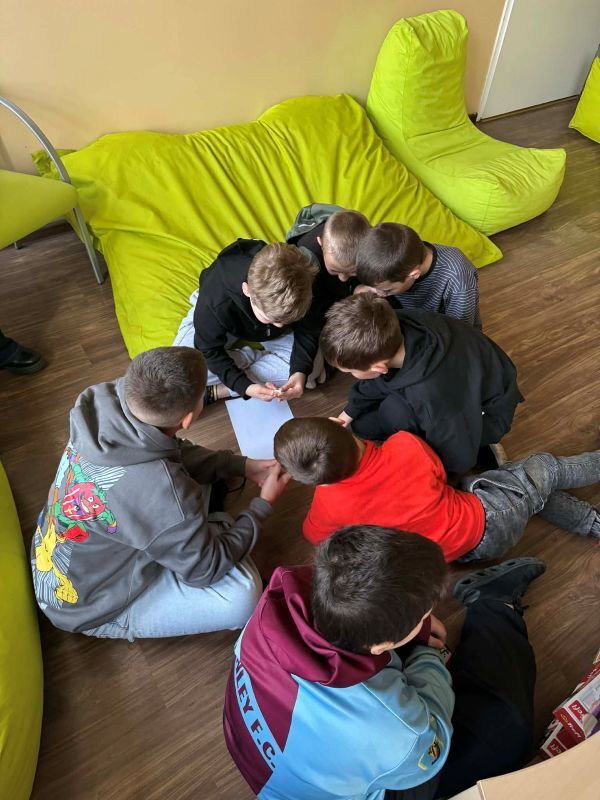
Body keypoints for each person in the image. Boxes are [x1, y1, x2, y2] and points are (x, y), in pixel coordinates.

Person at [223, 524, 545, 800]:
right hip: (356, 769)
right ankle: (496, 603)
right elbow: (431, 726)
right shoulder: (396, 726)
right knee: (507, 731)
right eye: (423, 615)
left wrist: (415, 631)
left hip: (259, 758)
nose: (427, 617)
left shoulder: (276, 604)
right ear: (382, 645)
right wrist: (428, 655)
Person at [31, 346, 290, 640]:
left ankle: (190, 532)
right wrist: (262, 505)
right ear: (188, 419)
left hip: (57, 561)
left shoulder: (103, 398)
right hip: (86, 607)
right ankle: (196, 534)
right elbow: (206, 569)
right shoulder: (164, 491)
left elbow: (168, 449)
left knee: (192, 492)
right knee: (242, 597)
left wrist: (239, 465)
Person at [274, 417, 600, 560]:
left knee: (529, 492)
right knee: (544, 469)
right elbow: (441, 476)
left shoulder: (328, 506)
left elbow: (313, 535)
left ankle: (591, 523)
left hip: (451, 555)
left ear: (318, 481)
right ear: (340, 424)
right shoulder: (404, 445)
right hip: (487, 518)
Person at [321, 293, 523, 475]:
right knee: (362, 424)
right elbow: (378, 380)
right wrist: (346, 415)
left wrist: (442, 475)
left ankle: (483, 450)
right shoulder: (395, 323)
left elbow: (454, 449)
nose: (351, 375)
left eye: (350, 372)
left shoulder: (430, 395)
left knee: (393, 414)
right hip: (462, 385)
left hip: (483, 415)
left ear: (379, 367)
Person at [174, 240, 324, 404]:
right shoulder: (216, 301)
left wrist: (299, 371)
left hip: (258, 319)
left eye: (287, 320)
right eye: (271, 319)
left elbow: (310, 326)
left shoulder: (302, 287)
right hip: (223, 317)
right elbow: (208, 349)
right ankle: (245, 360)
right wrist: (243, 385)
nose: (280, 326)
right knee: (182, 370)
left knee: (310, 371)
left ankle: (218, 390)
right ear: (247, 290)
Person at [355, 223, 482, 328]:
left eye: (387, 290)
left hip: (448, 334)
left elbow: (461, 331)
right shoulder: (405, 254)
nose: (381, 294)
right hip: (417, 320)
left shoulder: (457, 278)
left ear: (414, 274)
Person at [286, 203, 371, 286]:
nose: (343, 278)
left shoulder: (370, 246)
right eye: (334, 270)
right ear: (320, 242)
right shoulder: (307, 262)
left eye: (353, 272)